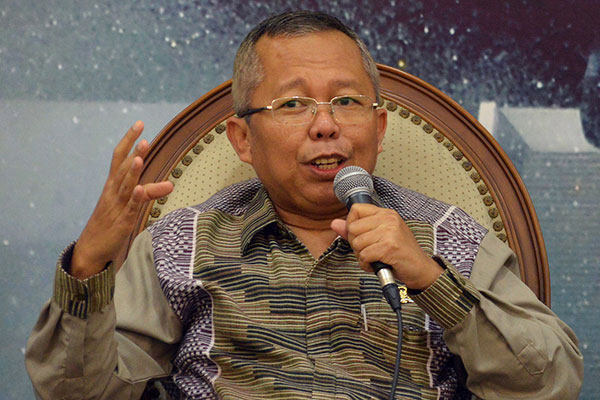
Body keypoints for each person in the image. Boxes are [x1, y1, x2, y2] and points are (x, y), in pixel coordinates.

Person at [25, 10, 583, 400]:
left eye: (346, 101)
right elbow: (79, 394)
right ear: (242, 140)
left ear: (379, 128)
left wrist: (431, 281)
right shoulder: (181, 244)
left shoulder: (448, 237)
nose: (325, 125)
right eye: (293, 104)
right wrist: (89, 265)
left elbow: (548, 385)